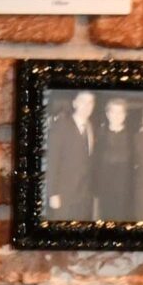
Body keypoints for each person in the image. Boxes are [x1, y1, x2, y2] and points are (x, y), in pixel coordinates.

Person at [44, 89, 98, 221]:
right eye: (83, 101)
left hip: (85, 196)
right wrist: (53, 194)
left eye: (90, 102)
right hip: (64, 195)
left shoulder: (91, 127)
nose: (87, 106)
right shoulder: (61, 125)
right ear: (75, 103)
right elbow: (52, 160)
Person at [93, 95, 137, 222]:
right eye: (113, 111)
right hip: (104, 190)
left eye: (120, 112)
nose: (117, 115)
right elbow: (95, 164)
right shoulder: (99, 134)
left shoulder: (133, 136)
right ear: (108, 114)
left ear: (125, 115)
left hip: (126, 192)